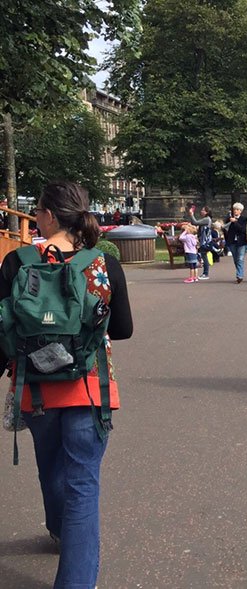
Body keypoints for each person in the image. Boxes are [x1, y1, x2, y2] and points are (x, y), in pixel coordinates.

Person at [0, 180, 133, 588]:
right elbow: (124, 328)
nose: (35, 217)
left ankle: (59, 530)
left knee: (51, 467)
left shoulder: (17, 262)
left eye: (37, 211)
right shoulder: (102, 262)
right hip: (89, 389)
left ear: (50, 215)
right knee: (83, 484)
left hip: (35, 390)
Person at [185, 203, 213, 280]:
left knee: (204, 257)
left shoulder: (207, 219)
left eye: (203, 210)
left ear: (207, 212)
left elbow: (195, 222)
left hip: (205, 242)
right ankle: (204, 273)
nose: (201, 211)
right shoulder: (207, 219)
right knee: (204, 256)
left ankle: (205, 273)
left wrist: (191, 214)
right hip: (205, 241)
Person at [224, 203, 247, 284]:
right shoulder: (229, 219)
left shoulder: (244, 219)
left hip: (241, 242)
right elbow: (225, 228)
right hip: (232, 242)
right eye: (234, 209)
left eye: (237, 209)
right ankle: (239, 272)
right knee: (235, 259)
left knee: (240, 259)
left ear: (240, 211)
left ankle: (239, 275)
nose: (235, 211)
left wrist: (235, 222)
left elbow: (243, 230)